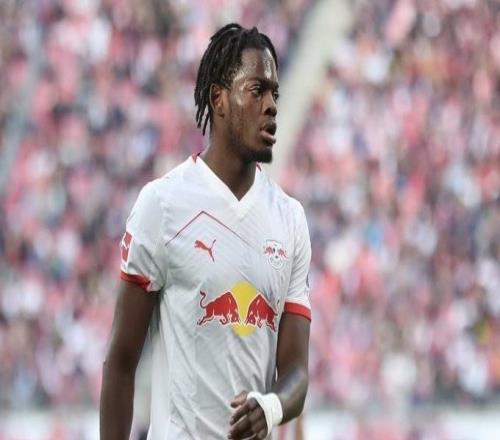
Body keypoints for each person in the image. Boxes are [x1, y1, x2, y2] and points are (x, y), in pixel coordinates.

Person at [100, 23, 311, 440]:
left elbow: (297, 373)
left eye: (275, 94)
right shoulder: (162, 204)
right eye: (256, 90)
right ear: (219, 99)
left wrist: (270, 407)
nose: (271, 105)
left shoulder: (290, 219)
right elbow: (121, 361)